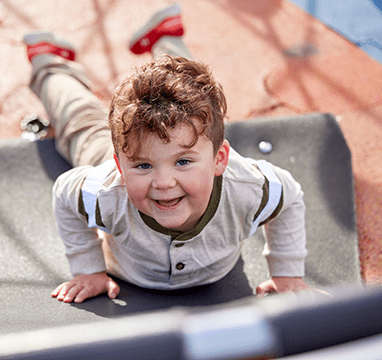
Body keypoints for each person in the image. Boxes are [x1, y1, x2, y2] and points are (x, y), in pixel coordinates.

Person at [23, 3, 310, 304]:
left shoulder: (248, 188)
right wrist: (88, 269)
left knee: (188, 89)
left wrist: (286, 272)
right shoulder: (106, 192)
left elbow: (288, 196)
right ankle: (49, 63)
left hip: (170, 146)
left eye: (183, 162)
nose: (163, 182)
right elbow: (65, 193)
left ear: (219, 160)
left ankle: (166, 39)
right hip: (123, 161)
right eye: (144, 167)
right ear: (120, 165)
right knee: (80, 119)